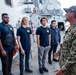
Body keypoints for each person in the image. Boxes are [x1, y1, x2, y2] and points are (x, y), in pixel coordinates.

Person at [55, 6, 76, 75]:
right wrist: (59, 51)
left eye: (67, 12)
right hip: (66, 68)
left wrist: (62, 70)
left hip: (71, 71)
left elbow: (74, 54)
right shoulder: (71, 28)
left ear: (72, 13)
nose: (65, 14)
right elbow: (66, 44)